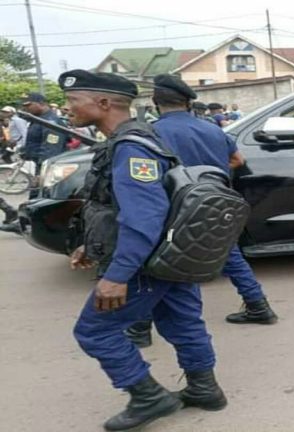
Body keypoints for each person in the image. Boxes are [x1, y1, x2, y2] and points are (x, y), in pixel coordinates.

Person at [59, 69, 227, 431]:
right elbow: (116, 205)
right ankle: (205, 389)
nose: (67, 107)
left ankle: (148, 396)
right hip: (167, 254)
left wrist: (117, 275)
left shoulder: (132, 147)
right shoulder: (135, 138)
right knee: (182, 322)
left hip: (144, 261)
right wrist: (91, 243)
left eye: (73, 100)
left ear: (103, 103)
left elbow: (144, 218)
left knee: (95, 331)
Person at [123, 74, 278, 347]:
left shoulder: (151, 133)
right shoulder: (213, 129)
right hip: (213, 205)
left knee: (151, 263)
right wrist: (209, 172)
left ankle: (139, 329)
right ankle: (258, 306)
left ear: (156, 103)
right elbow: (237, 160)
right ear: (187, 102)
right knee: (230, 255)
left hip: (172, 210)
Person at [18, 92, 68, 182]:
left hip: (49, 167)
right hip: (39, 163)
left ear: (41, 103)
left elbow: (51, 149)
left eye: (28, 105)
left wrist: (42, 173)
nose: (25, 108)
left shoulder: (50, 122)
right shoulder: (39, 119)